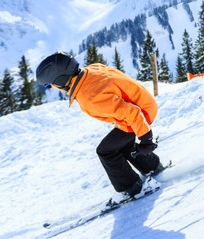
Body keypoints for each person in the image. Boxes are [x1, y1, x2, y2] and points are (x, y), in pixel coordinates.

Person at [36, 51, 165, 203]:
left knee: (106, 151)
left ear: (60, 80)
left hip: (141, 113)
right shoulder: (91, 70)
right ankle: (152, 168)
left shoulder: (89, 96)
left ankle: (131, 188)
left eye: (49, 84)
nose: (51, 87)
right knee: (120, 144)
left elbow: (133, 113)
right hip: (143, 102)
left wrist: (146, 139)